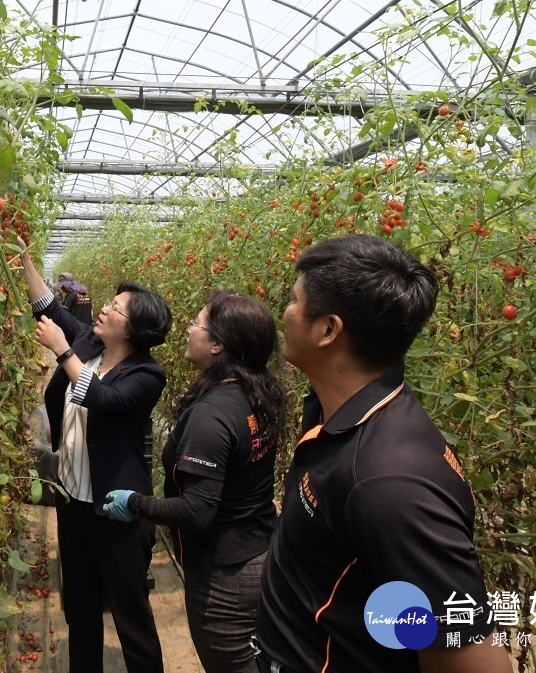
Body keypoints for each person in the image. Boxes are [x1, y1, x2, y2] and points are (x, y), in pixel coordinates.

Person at [253, 234, 511, 673]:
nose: (286, 312)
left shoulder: (389, 484)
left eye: (294, 301)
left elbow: (475, 663)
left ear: (329, 330)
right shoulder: (335, 409)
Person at [102, 292, 287, 673]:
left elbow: (196, 511)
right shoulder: (258, 392)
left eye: (197, 323)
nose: (188, 328)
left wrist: (135, 503)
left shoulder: (211, 416)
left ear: (218, 343)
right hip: (260, 552)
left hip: (224, 576)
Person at [21, 248, 173, 673]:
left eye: (116, 307)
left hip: (117, 512)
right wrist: (25, 258)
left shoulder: (147, 375)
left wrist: (61, 352)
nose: (103, 308)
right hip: (74, 505)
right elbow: (47, 308)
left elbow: (102, 399)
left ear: (135, 329)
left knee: (131, 617)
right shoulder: (89, 342)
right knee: (80, 610)